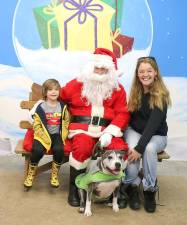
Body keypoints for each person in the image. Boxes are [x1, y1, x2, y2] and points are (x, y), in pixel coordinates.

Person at [60, 48, 130, 207]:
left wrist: (111, 132)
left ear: (110, 71)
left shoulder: (117, 89)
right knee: (82, 147)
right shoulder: (76, 83)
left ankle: (116, 189)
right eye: (97, 67)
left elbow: (123, 113)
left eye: (104, 68)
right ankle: (75, 188)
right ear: (90, 67)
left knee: (119, 148)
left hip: (107, 132)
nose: (100, 71)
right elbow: (59, 98)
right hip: (82, 129)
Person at [119, 56, 171, 213]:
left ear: (155, 73)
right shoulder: (135, 92)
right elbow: (129, 117)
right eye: (141, 71)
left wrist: (139, 147)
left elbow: (152, 126)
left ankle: (149, 190)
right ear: (137, 74)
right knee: (131, 147)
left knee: (148, 148)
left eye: (149, 70)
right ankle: (131, 186)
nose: (145, 74)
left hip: (157, 136)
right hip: (134, 131)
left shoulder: (161, 95)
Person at [24, 79, 70, 189]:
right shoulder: (41, 107)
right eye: (50, 90)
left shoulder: (62, 106)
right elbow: (37, 124)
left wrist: (63, 134)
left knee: (59, 150)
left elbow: (66, 121)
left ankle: (54, 175)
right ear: (45, 92)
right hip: (42, 134)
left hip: (56, 134)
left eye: (56, 89)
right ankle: (31, 174)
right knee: (37, 150)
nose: (53, 92)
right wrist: (43, 136)